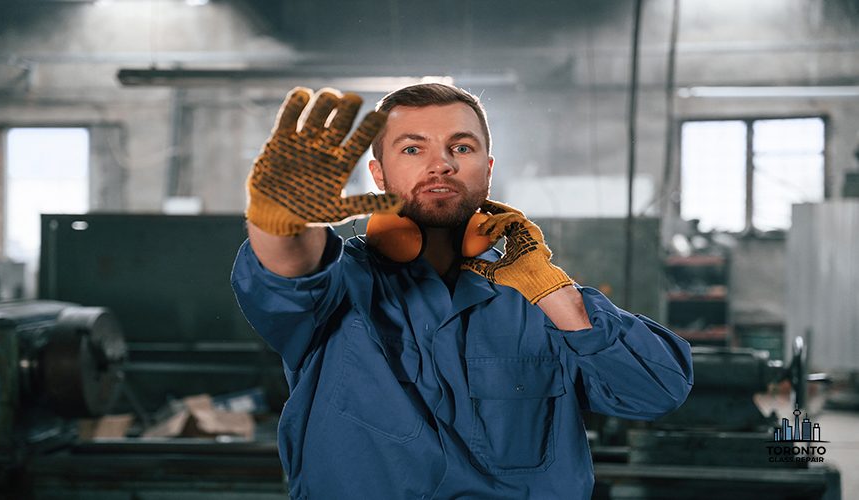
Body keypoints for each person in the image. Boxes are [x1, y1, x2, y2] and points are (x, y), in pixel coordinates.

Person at [231, 83, 693, 499]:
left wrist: (551, 289)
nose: (441, 164)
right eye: (412, 149)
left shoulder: (540, 300)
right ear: (378, 174)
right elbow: (290, 267)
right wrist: (282, 219)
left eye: (462, 147)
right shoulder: (341, 283)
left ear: (487, 169)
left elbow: (657, 392)